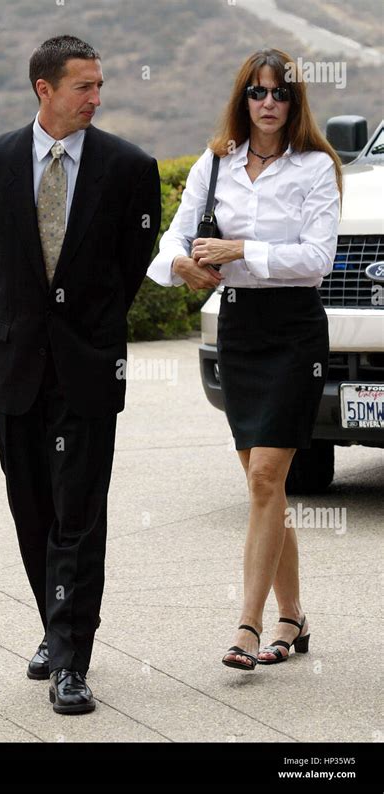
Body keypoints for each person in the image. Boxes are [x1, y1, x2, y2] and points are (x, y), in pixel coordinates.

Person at [0, 35, 161, 711]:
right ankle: (55, 620)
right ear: (44, 89)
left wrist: (90, 328)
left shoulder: (130, 166)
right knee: (32, 511)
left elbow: (132, 260)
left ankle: (73, 658)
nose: (96, 99)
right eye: (84, 87)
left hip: (87, 366)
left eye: (100, 85)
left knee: (79, 515)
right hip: (16, 362)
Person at [148, 48, 341, 671]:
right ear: (243, 98)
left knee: (265, 478)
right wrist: (178, 265)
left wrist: (242, 249)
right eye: (258, 93)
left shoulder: (315, 167)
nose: (268, 103)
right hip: (239, 330)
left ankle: (247, 626)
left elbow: (318, 259)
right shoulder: (216, 161)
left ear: (295, 102)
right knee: (266, 485)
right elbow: (173, 236)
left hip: (294, 332)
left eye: (280, 93)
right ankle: (295, 617)